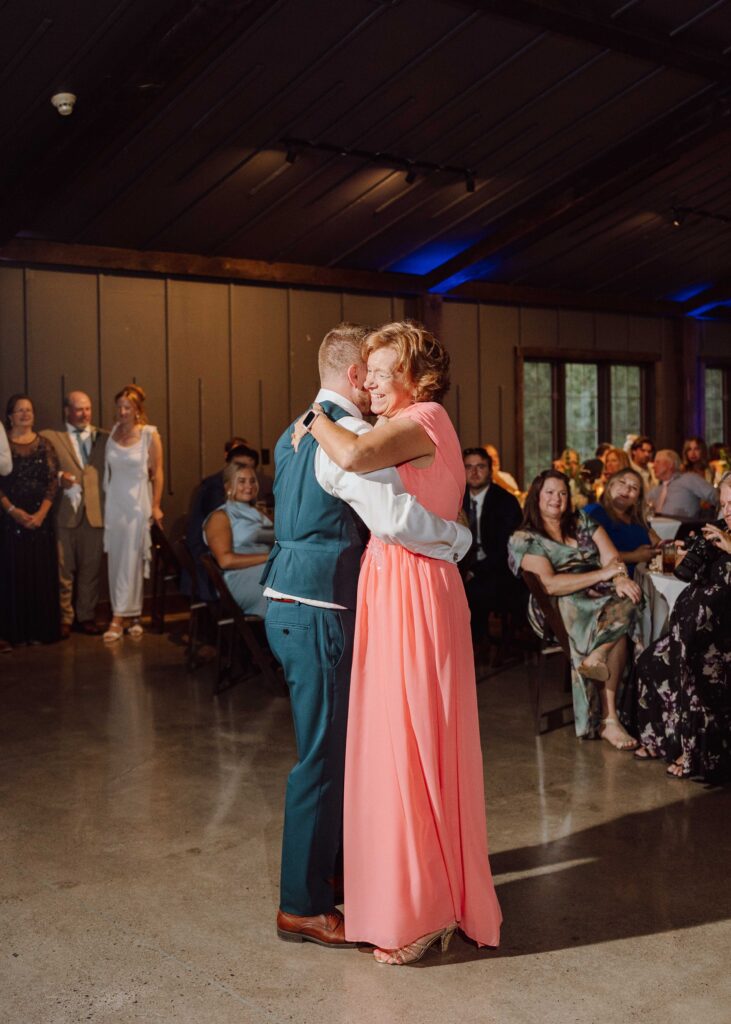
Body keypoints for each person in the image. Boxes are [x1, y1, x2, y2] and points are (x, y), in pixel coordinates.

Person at [291, 321, 501, 965]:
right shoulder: (412, 424)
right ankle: (423, 898)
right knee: (397, 741)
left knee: (411, 743)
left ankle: (422, 910)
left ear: (418, 377)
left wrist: (313, 418)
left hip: (413, 588)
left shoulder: (426, 419)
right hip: (394, 580)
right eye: (370, 372)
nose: (373, 383)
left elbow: (351, 458)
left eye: (383, 372)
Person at [508, 470, 642, 749]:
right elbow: (551, 585)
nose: (557, 499)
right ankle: (610, 720)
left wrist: (619, 577)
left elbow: (612, 555)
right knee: (610, 624)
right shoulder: (525, 537)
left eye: (562, 493)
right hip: (555, 608)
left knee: (630, 596)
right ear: (536, 496)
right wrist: (604, 575)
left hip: (598, 595)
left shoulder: (581, 521)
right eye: (549, 492)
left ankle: (597, 656)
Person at [634, 473, 731, 782]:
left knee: (691, 667)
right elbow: (686, 575)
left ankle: (694, 753)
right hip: (693, 631)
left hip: (722, 635)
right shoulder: (721, 529)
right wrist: (689, 552)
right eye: (724, 504)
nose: (727, 511)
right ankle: (665, 741)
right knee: (651, 661)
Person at [41, 391, 108, 638]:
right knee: (63, 570)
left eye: (88, 409)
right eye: (79, 409)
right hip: (64, 516)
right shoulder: (50, 437)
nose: (84, 414)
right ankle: (64, 618)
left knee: (91, 570)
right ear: (66, 411)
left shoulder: (105, 437)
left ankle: (86, 616)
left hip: (96, 515)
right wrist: (59, 477)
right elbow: (40, 469)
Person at [103, 385, 163, 643]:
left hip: (138, 504)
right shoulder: (113, 432)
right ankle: (134, 615)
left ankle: (118, 616)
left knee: (131, 558)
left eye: (127, 407)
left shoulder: (149, 435)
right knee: (119, 560)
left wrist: (156, 505)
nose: (122, 411)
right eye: (119, 407)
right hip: (115, 504)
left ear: (138, 411)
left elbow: (158, 472)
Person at [0, 394, 61, 646]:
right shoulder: (2, 445)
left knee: (39, 574)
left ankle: (40, 630)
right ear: (10, 416)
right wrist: (13, 511)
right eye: (20, 410)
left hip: (40, 522)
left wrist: (41, 514)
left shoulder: (45, 444)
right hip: (10, 519)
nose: (25, 414)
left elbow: (52, 481)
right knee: (13, 575)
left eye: (29, 410)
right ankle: (16, 632)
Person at [462, 446, 524, 646]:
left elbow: (506, 549)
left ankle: (477, 645)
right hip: (462, 565)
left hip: (496, 569)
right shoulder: (456, 498)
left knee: (476, 591)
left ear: (490, 470)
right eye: (468, 467)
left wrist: (474, 571)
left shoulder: (506, 501)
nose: (474, 472)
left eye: (480, 466)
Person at [185, 440, 260, 602]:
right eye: (238, 466)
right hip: (211, 572)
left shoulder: (235, 489)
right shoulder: (215, 489)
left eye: (248, 468)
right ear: (228, 466)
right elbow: (228, 548)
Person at [203, 463, 273, 617]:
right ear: (228, 486)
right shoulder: (221, 516)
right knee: (285, 584)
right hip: (239, 579)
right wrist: (270, 558)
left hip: (266, 570)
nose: (249, 486)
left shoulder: (260, 513)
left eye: (252, 481)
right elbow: (225, 561)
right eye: (241, 481)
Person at [585, 469, 660, 578]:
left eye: (634, 487)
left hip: (643, 582)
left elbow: (659, 544)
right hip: (610, 583)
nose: (627, 489)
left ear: (637, 499)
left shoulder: (638, 519)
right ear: (610, 486)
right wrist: (634, 556)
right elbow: (588, 554)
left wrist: (676, 548)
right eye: (622, 482)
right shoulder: (594, 512)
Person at [648, 449, 717, 519]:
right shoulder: (656, 490)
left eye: (657, 462)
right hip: (655, 528)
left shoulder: (688, 479)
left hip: (685, 527)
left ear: (670, 464)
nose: (653, 466)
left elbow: (715, 495)